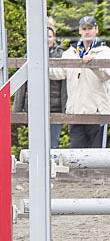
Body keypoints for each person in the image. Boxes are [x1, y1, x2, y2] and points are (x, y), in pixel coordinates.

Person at [50, 15, 110, 148]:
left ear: (96, 29)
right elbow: (58, 72)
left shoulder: (106, 52)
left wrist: (93, 64)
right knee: (76, 157)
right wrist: (38, 66)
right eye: (84, 28)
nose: (87, 32)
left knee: (97, 157)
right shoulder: (71, 52)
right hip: (75, 113)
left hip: (97, 113)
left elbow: (107, 75)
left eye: (90, 28)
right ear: (79, 31)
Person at [12, 19, 67, 149]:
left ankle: (52, 169)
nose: (47, 39)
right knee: (36, 145)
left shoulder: (61, 55)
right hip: (34, 106)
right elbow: (21, 84)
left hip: (54, 107)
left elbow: (66, 85)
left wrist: (66, 109)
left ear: (54, 37)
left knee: (53, 145)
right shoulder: (30, 54)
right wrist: (17, 111)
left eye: (49, 36)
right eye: (44, 36)